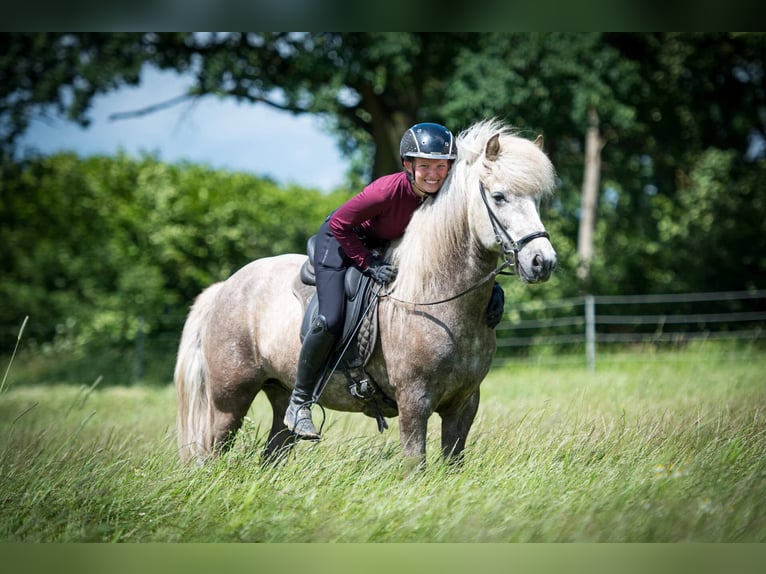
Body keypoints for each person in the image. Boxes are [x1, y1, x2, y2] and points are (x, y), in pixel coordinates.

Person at [284, 122, 504, 439]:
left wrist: (492, 286)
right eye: (424, 166)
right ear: (408, 165)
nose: (433, 174)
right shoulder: (387, 190)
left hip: (385, 246)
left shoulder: (444, 196)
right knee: (329, 317)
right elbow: (341, 223)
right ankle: (299, 402)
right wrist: (369, 264)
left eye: (441, 166)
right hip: (340, 241)